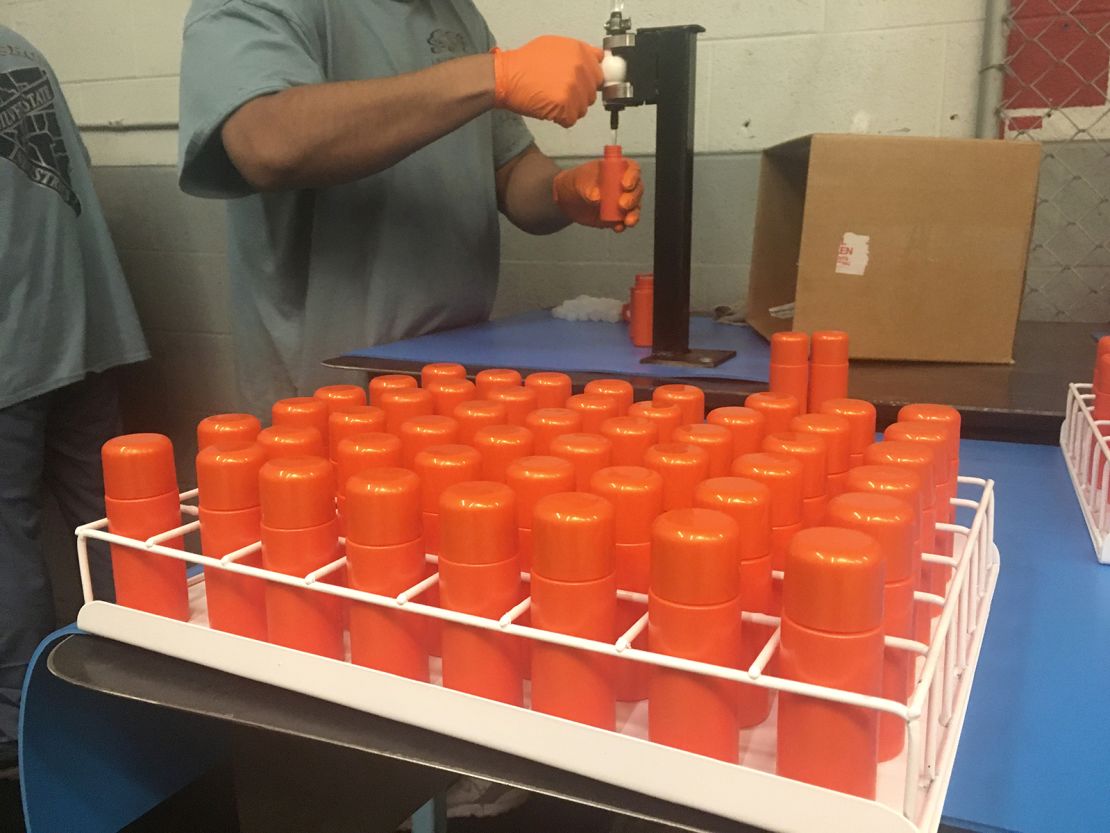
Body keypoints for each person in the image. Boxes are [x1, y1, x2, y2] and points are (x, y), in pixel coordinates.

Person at [177, 0, 643, 419]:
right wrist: (491, 77)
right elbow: (267, 142)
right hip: (326, 391)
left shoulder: (455, 14)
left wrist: (563, 192)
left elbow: (511, 169)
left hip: (452, 381)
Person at [0, 25, 150, 777]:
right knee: (109, 517)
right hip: (83, 316)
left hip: (11, 343)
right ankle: (153, 675)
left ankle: (16, 723)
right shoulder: (18, 45)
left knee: (4, 533)